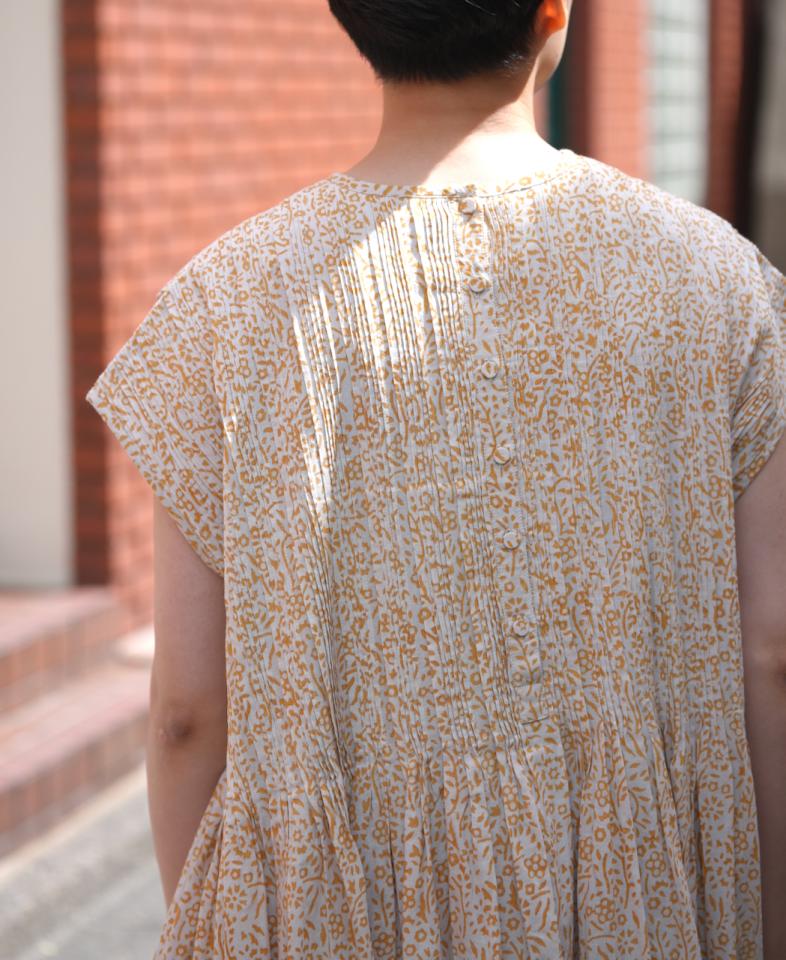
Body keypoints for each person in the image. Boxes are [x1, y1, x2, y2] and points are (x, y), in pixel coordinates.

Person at [84, 0, 786, 957]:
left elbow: (185, 715)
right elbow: (771, 652)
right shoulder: (717, 280)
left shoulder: (225, 306)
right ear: (552, 10)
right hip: (644, 905)